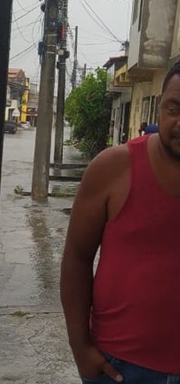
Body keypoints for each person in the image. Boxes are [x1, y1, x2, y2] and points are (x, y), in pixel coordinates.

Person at [61, 60, 180, 384]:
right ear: (159, 108)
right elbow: (76, 257)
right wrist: (80, 345)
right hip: (121, 369)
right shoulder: (113, 168)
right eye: (174, 108)